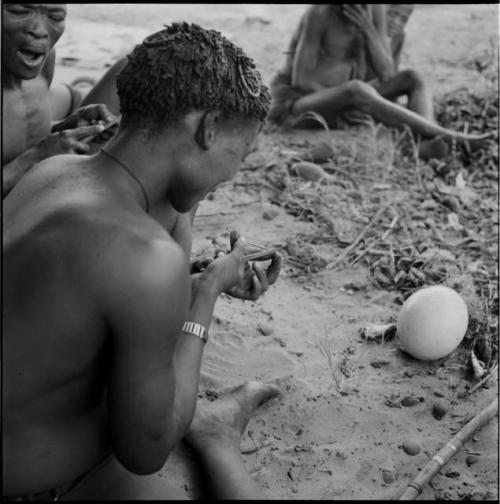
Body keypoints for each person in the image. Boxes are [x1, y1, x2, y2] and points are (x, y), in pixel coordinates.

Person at [3, 22, 284, 500]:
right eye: (244, 150)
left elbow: (77, 306)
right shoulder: (145, 258)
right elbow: (147, 452)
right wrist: (206, 291)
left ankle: (210, 429)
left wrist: (187, 275)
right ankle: (215, 439)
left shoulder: (53, 172)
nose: (236, 172)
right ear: (209, 127)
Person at [268, 4, 491, 157]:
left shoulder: (374, 9)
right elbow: (301, 80)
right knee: (357, 89)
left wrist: (368, 28)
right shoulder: (320, 13)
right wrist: (346, 103)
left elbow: (387, 74)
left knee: (413, 78)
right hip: (301, 105)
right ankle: (446, 135)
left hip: (346, 99)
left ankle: (420, 145)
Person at [2, 3, 117, 198]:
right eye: (19, 12)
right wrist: (33, 159)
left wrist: (70, 126)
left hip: (41, 195)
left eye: (55, 17)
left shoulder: (44, 62)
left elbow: (19, 134)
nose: (38, 31)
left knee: (127, 67)